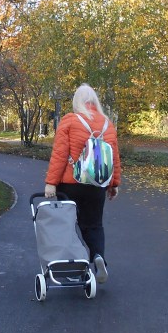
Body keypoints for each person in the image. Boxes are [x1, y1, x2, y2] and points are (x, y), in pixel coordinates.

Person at [44, 84, 121, 283]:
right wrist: (114, 184)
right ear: (95, 101)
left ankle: (71, 264)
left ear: (77, 101)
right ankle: (97, 257)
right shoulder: (107, 124)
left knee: (66, 224)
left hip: (71, 183)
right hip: (97, 185)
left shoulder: (70, 120)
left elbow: (60, 154)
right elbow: (114, 158)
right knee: (94, 225)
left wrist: (51, 183)